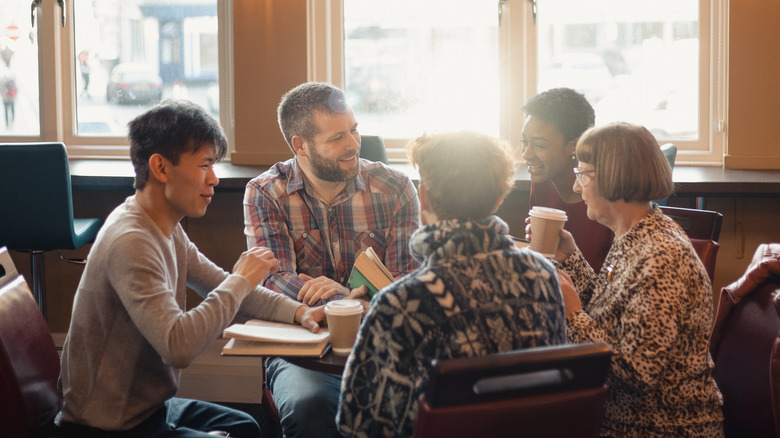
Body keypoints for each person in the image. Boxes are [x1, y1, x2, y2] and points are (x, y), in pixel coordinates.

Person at [56, 99, 324, 437]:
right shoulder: (131, 241)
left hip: (150, 410)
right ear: (161, 168)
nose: (213, 179)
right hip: (105, 426)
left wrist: (301, 312)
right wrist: (241, 280)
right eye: (204, 165)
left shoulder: (164, 226)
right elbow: (178, 345)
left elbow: (222, 286)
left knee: (245, 426)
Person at [338, 131, 568, 438]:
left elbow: (357, 425)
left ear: (426, 199)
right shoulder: (543, 275)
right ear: (499, 198)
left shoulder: (403, 301)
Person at [244, 82, 420, 438]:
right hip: (301, 346)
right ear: (300, 145)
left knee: (412, 404)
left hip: (382, 339)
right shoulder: (265, 193)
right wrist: (350, 300)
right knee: (310, 406)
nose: (354, 145)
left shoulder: (396, 188)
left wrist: (342, 295)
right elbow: (270, 280)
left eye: (354, 130)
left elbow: (406, 283)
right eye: (337, 137)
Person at [537, 122, 724, 437]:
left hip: (659, 427)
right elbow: (611, 310)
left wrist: (572, 316)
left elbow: (637, 374)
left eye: (582, 174)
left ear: (612, 178)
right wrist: (572, 259)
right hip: (623, 419)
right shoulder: (636, 234)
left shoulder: (662, 257)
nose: (576, 187)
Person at [521, 87, 613, 271]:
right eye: (524, 142)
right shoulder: (542, 182)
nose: (526, 154)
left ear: (574, 146)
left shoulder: (607, 195)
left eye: (539, 145)